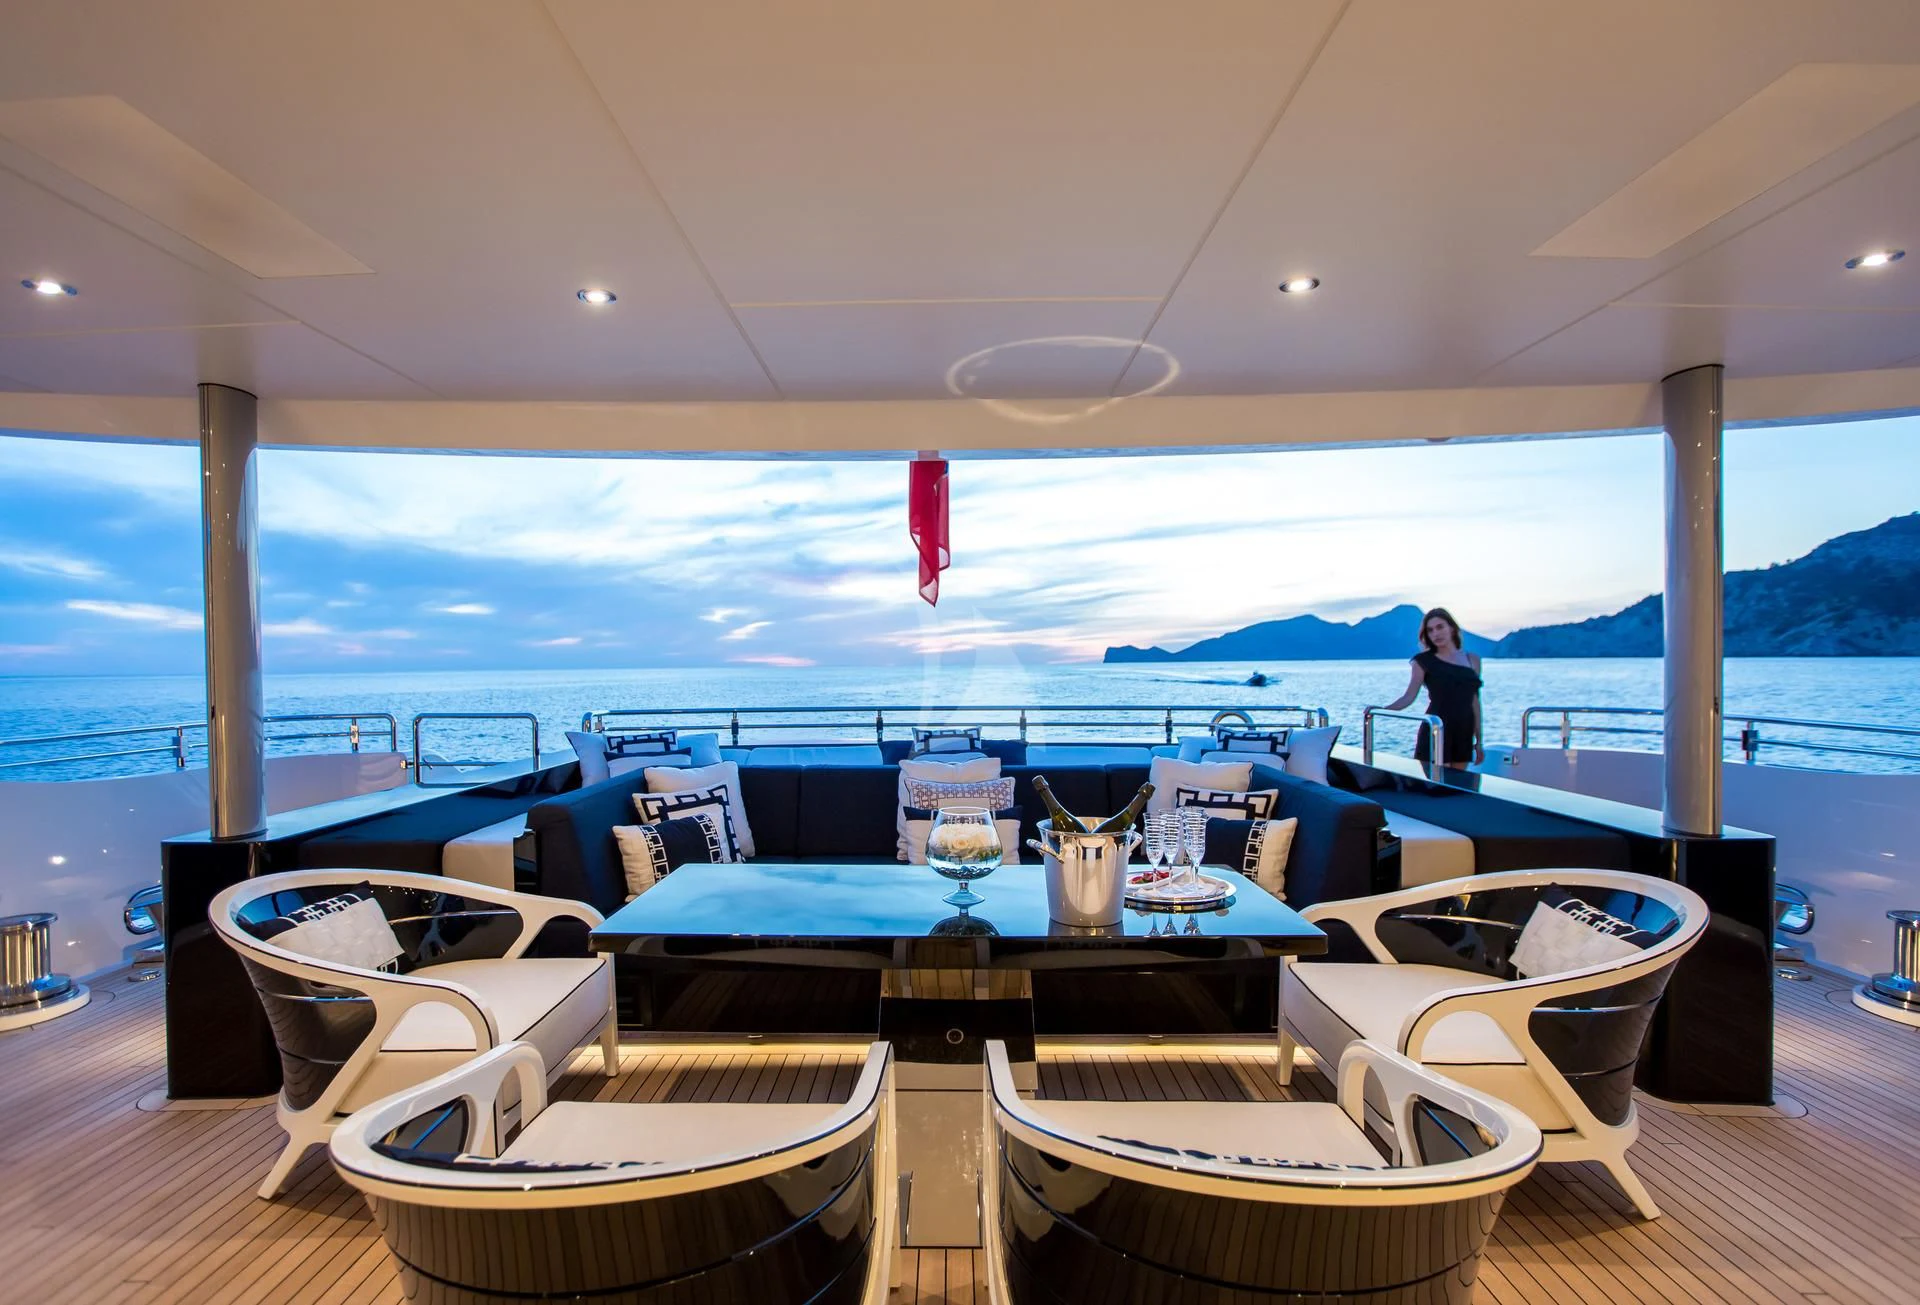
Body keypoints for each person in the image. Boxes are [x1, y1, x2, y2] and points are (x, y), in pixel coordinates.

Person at [1383, 607, 1483, 766]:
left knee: (1458, 786)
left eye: (1440, 627)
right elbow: (1408, 697)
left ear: (1451, 628)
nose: (1436, 633)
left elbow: (1475, 702)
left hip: (1464, 730)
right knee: (1433, 786)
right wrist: (1382, 709)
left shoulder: (1473, 660)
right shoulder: (1422, 661)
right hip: (1437, 728)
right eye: (1430, 630)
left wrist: (1479, 740)